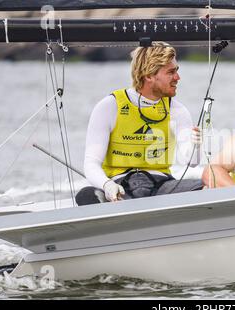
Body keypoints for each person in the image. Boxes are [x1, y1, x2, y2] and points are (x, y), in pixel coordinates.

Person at [76, 42, 202, 205]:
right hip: (119, 188)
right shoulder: (109, 106)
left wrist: (196, 145)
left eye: (176, 71)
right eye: (171, 72)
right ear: (149, 75)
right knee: (85, 195)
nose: (178, 77)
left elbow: (192, 162)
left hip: (162, 187)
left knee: (208, 185)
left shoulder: (178, 110)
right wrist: (107, 185)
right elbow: (91, 163)